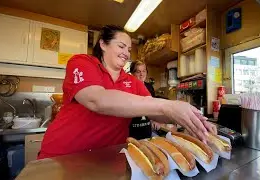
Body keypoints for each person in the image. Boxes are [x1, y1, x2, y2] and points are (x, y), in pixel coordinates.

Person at [38, 25, 217, 159]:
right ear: (103, 44)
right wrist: (166, 105)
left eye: (129, 50)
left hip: (107, 159)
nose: (126, 53)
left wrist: (195, 118)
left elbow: (156, 113)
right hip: (62, 156)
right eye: (121, 46)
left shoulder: (132, 82)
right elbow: (96, 100)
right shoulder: (83, 63)